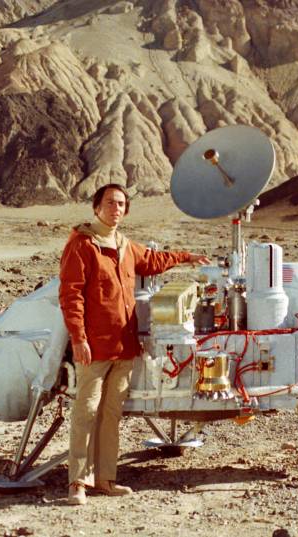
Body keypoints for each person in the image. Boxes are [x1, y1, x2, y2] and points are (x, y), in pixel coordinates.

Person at [59, 183, 209, 505]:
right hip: (94, 347)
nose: (116, 209)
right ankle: (78, 483)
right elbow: (71, 297)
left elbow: (153, 261)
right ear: (96, 207)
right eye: (110, 203)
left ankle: (106, 479)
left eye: (122, 204)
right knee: (86, 411)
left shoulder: (126, 246)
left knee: (111, 414)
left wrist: (186, 257)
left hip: (125, 346)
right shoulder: (82, 244)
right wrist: (79, 339)